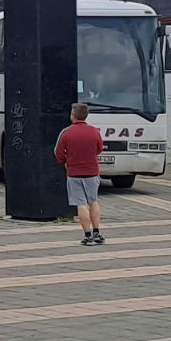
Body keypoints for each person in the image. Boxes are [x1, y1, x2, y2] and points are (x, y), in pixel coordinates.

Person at [54, 102, 105, 246]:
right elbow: (99, 148)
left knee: (81, 204)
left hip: (74, 173)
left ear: (72, 115)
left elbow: (57, 153)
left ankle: (87, 236)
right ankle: (97, 233)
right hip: (92, 172)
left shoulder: (66, 132)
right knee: (93, 201)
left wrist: (65, 161)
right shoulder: (94, 131)